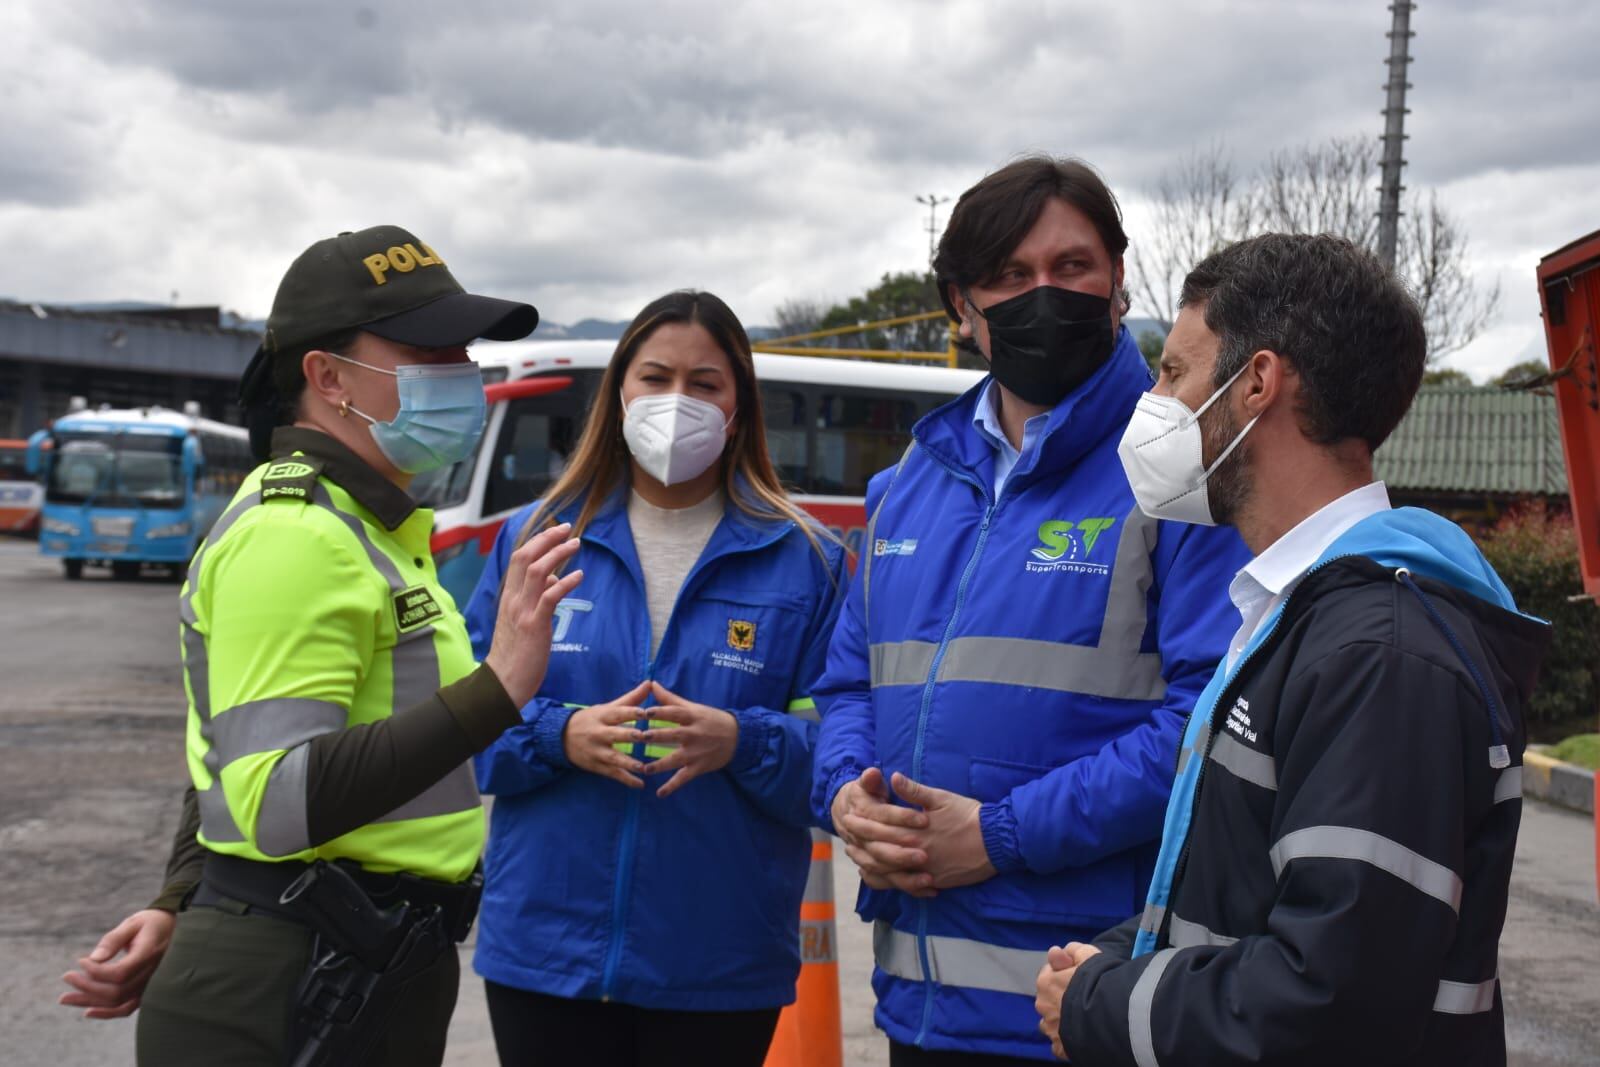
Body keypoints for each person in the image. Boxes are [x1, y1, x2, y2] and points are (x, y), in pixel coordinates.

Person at [61, 224, 585, 1066]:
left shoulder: (366, 527)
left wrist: (185, 891)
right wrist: (499, 686)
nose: (459, 369)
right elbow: (275, 795)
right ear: (327, 376)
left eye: (462, 346)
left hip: (354, 962)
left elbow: (227, 753)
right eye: (426, 346)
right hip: (296, 981)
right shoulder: (297, 539)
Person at [1036, 233, 1552, 1066]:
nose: (1154, 401)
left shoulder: (1377, 654)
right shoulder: (1302, 615)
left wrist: (1101, 1001)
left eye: (1173, 373)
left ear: (1256, 385)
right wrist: (1119, 953)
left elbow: (1330, 999)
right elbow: (1248, 889)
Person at [810, 155, 1252, 1064]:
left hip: (1090, 1010)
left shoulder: (1180, 475)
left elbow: (1213, 722)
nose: (1043, 295)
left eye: (1071, 267)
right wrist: (847, 796)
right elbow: (847, 686)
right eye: (1010, 276)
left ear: (1119, 283)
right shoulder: (901, 489)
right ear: (963, 310)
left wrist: (998, 837)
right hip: (918, 1005)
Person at [462, 290, 846, 1067]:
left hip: (719, 966)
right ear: (619, 394)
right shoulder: (534, 541)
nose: (677, 402)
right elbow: (461, 734)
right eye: (656, 377)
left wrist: (741, 739)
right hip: (544, 953)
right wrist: (560, 735)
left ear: (737, 409)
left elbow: (840, 760)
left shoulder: (809, 560)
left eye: (704, 384)